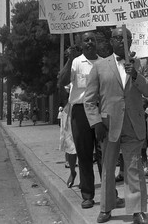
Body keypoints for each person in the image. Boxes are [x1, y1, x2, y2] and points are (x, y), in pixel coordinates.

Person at [84, 27, 148, 224]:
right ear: (111, 42)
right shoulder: (99, 66)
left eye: (127, 38)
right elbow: (89, 100)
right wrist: (96, 121)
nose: (123, 41)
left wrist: (135, 75)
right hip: (108, 125)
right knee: (108, 168)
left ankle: (137, 211)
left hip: (133, 123)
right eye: (118, 38)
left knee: (134, 167)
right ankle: (106, 208)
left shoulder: (139, 64)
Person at [58, 31, 103, 209]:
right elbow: (61, 81)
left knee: (104, 155)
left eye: (93, 39)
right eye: (86, 40)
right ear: (81, 44)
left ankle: (109, 193)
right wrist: (70, 59)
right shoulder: (76, 62)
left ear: (97, 43)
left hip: (100, 111)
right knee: (84, 155)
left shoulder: (104, 63)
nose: (90, 42)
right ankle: (87, 195)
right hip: (80, 111)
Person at [59, 101, 78, 188]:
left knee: (84, 147)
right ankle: (72, 172)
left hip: (90, 106)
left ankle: (85, 179)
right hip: (71, 109)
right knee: (71, 146)